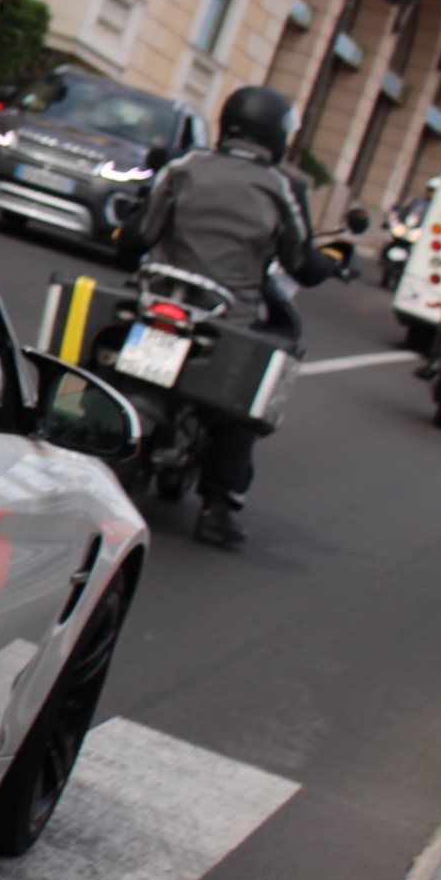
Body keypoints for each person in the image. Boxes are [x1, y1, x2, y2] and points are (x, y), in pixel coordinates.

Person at [130, 85, 342, 549]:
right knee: (245, 395)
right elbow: (300, 260)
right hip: (228, 318)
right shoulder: (282, 186)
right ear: (276, 135)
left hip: (155, 302)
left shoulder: (184, 166)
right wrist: (330, 264)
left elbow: (138, 234)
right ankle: (218, 507)